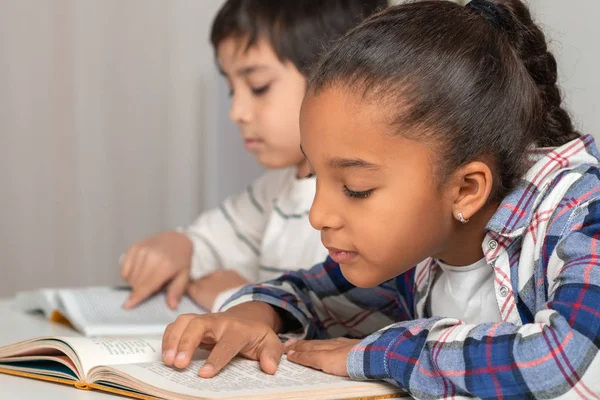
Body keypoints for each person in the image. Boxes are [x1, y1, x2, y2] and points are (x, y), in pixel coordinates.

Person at [161, 1, 600, 398]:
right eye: (317, 177)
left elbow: (567, 364)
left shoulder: (581, 212)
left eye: (356, 188)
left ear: (466, 189)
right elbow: (314, 293)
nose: (317, 215)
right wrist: (258, 315)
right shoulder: (422, 248)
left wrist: (381, 353)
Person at [120, 0, 388, 312]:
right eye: (232, 90)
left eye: (258, 87)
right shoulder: (273, 191)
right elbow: (207, 244)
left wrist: (242, 298)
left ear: (341, 77)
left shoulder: (370, 196)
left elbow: (355, 322)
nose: (236, 112)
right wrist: (179, 246)